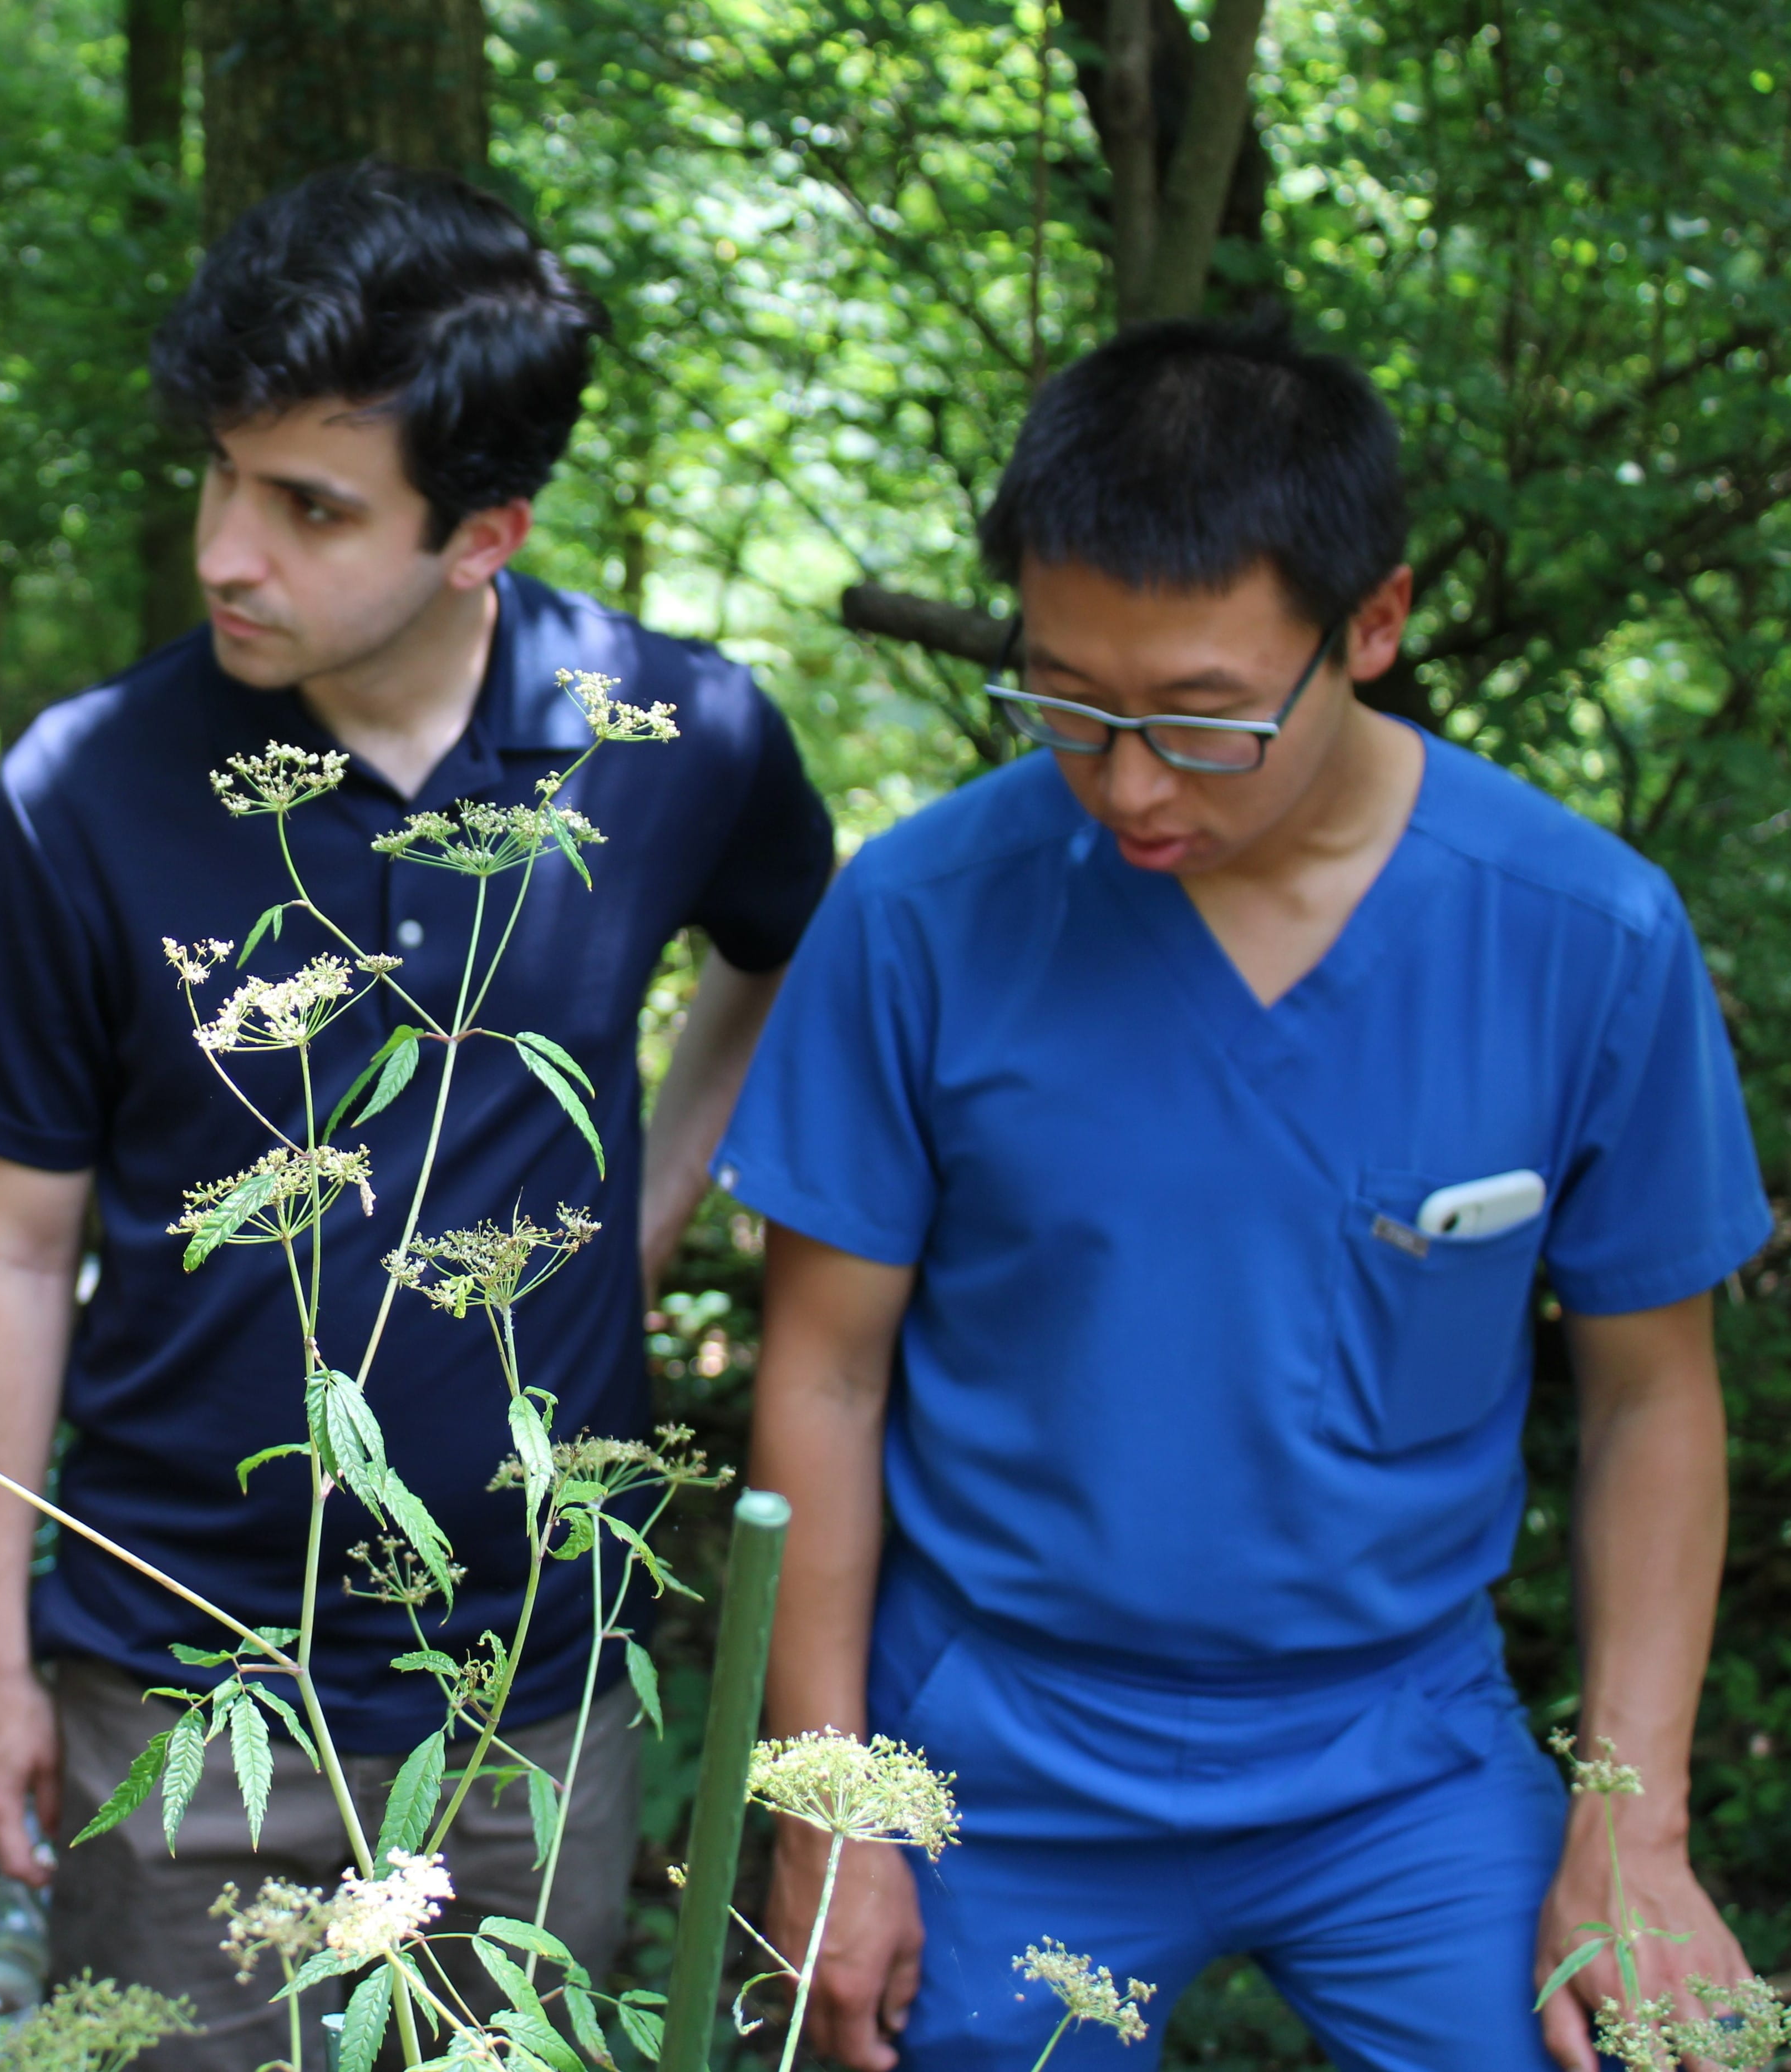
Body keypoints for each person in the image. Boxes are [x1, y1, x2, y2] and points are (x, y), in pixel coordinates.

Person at [717, 318, 1768, 2069]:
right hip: (995, 1727)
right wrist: (830, 1802)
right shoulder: (917, 917)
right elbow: (821, 1379)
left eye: (1199, 720)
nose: (1125, 782)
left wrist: (1629, 1818)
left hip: (1400, 1738)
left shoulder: (1582, 936)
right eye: (1066, 699)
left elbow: (1653, 1395)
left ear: (1370, 625)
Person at [0, 163, 835, 2070]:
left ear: (484, 530)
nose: (225, 552)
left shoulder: (672, 738)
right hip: (177, 1684)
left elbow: (777, 958)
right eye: (220, 478)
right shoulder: (85, 790)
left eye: (308, 508)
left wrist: (642, 1214)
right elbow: (10, 1243)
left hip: (532, 1695)